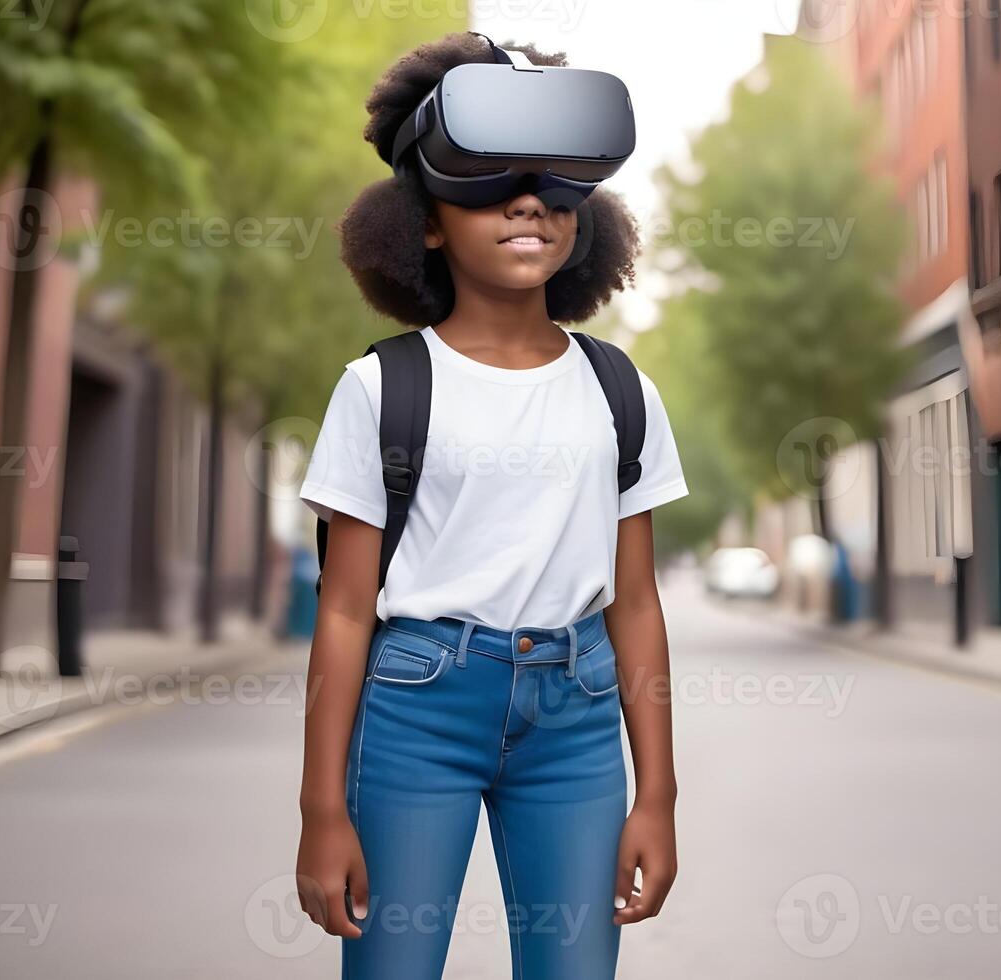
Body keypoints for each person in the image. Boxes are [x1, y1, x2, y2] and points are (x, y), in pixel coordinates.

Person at [295, 32, 689, 980]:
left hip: (577, 715)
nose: (527, 204)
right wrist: (319, 813)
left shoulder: (618, 389)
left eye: (555, 186)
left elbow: (634, 603)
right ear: (426, 221)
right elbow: (345, 610)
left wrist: (659, 797)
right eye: (488, 181)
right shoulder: (380, 388)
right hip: (420, 706)